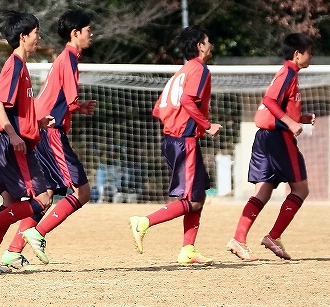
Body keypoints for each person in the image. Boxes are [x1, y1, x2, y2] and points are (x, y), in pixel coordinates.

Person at [0, 8, 97, 270]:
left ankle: (12, 251)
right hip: (49, 132)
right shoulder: (69, 59)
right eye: (88, 30)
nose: (92, 34)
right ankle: (38, 233)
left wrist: (77, 107)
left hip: (42, 130)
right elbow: (68, 97)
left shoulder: (65, 59)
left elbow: (62, 98)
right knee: (82, 191)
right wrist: (76, 105)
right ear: (76, 33)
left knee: (48, 193)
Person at [129, 26, 221, 265]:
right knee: (192, 199)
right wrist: (206, 125)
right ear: (200, 46)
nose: (211, 45)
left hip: (173, 139)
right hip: (184, 140)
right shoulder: (199, 69)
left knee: (198, 196)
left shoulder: (180, 72)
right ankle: (144, 222)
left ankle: (188, 249)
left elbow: (158, 108)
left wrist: (178, 123)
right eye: (208, 40)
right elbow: (187, 99)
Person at [0, 11, 54, 273]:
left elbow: (14, 109)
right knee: (43, 198)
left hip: (6, 141)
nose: (38, 38)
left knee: (9, 203)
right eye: (36, 33)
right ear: (23, 36)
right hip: (11, 144)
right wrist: (15, 135)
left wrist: (34, 123)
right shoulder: (16, 64)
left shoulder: (20, 66)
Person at [227, 33, 316, 261]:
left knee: (263, 191)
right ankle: (273, 236)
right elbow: (269, 101)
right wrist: (290, 123)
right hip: (278, 139)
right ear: (297, 55)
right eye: (309, 52)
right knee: (301, 189)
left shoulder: (287, 73)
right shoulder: (288, 72)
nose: (311, 56)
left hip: (265, 137)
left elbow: (278, 106)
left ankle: (238, 239)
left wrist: (300, 118)